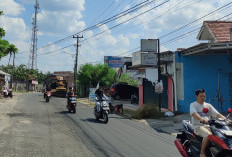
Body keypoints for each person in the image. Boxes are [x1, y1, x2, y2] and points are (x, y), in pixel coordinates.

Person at [190, 89, 227, 157]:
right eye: (201, 96)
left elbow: (217, 114)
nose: (203, 98)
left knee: (222, 134)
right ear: (196, 96)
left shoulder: (208, 105)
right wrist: (202, 119)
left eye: (204, 96)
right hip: (198, 126)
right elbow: (194, 113)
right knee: (208, 135)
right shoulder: (193, 105)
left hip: (209, 126)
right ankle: (202, 152)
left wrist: (226, 120)